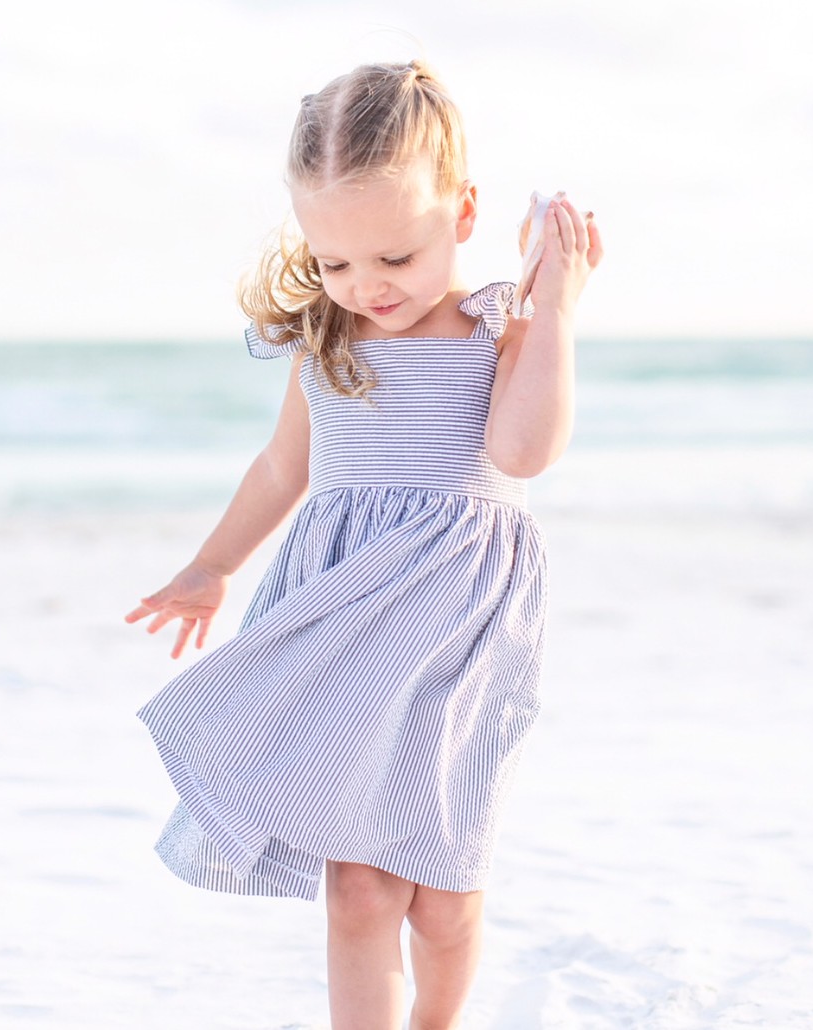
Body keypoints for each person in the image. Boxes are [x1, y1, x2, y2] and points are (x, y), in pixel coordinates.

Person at [126, 59, 602, 1030]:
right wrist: (212, 564)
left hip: (458, 630)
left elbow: (523, 449)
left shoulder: (495, 330)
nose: (365, 286)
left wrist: (553, 309)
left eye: (394, 257)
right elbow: (277, 470)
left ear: (461, 215)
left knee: (441, 892)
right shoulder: (326, 340)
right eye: (334, 261)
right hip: (343, 620)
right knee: (358, 890)